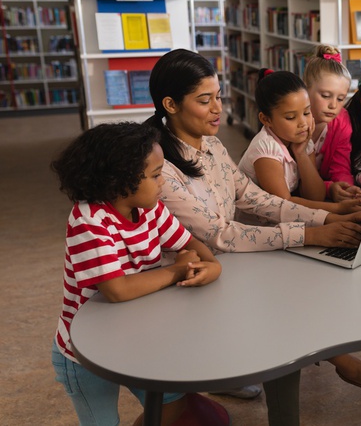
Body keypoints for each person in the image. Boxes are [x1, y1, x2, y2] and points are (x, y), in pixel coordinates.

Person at [144, 49, 361, 425]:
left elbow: (256, 198)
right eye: (205, 100)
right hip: (192, 279)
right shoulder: (161, 169)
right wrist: (313, 232)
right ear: (170, 104)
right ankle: (342, 368)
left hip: (228, 265)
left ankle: (325, 373)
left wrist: (325, 215)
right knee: (284, 308)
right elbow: (221, 235)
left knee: (298, 284)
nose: (218, 108)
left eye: (218, 96)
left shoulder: (213, 145)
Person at [50, 122, 228, 426]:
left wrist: (212, 266)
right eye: (156, 175)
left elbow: (192, 244)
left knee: (172, 404)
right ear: (121, 181)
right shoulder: (89, 219)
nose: (163, 182)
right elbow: (117, 290)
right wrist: (177, 270)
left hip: (137, 340)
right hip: (83, 353)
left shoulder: (150, 208)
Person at [238, 68, 361, 214]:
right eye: (290, 117)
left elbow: (316, 196)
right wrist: (338, 209)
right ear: (266, 119)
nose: (303, 123)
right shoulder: (265, 148)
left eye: (307, 112)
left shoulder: (301, 140)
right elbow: (284, 203)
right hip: (253, 221)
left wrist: (301, 153)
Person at [302, 44, 361, 202]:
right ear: (305, 89)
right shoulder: (292, 121)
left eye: (340, 98)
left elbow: (341, 165)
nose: (333, 105)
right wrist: (329, 188)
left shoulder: (342, 121)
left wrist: (346, 188)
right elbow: (293, 180)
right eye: (325, 95)